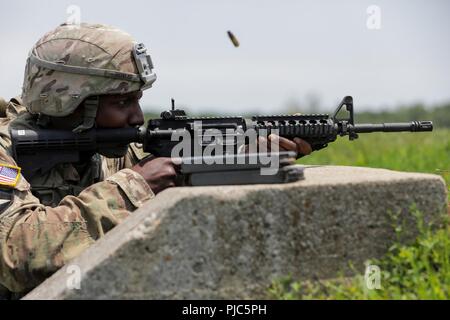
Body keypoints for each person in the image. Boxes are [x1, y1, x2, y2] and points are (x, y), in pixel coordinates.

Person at [0, 22, 312, 297]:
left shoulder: (109, 147)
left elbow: (185, 163)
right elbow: (17, 254)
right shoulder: (7, 150)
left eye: (137, 99)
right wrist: (135, 186)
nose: (137, 116)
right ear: (71, 103)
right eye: (123, 102)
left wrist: (249, 154)